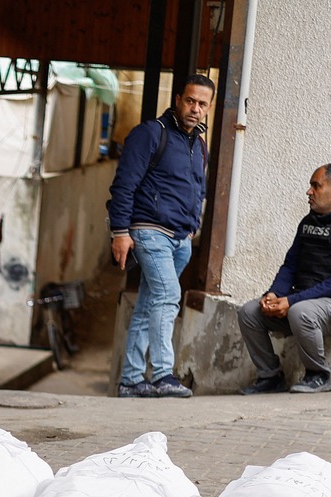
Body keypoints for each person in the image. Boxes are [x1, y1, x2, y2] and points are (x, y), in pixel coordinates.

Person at [108, 74, 215, 399]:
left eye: (202, 104)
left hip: (180, 238)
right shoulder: (151, 134)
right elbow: (124, 185)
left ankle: (130, 379)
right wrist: (120, 232)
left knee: (147, 304)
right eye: (190, 101)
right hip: (149, 230)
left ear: (208, 108)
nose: (195, 109)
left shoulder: (199, 145)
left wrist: (192, 225)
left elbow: (198, 188)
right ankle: (163, 374)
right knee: (168, 297)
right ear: (178, 99)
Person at [238, 164, 331, 394]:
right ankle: (270, 377)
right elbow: (290, 265)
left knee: (301, 311)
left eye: (315, 186)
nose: (309, 191)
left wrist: (291, 301)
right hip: (309, 301)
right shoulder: (310, 221)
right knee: (249, 312)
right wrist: (275, 294)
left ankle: (318, 375)